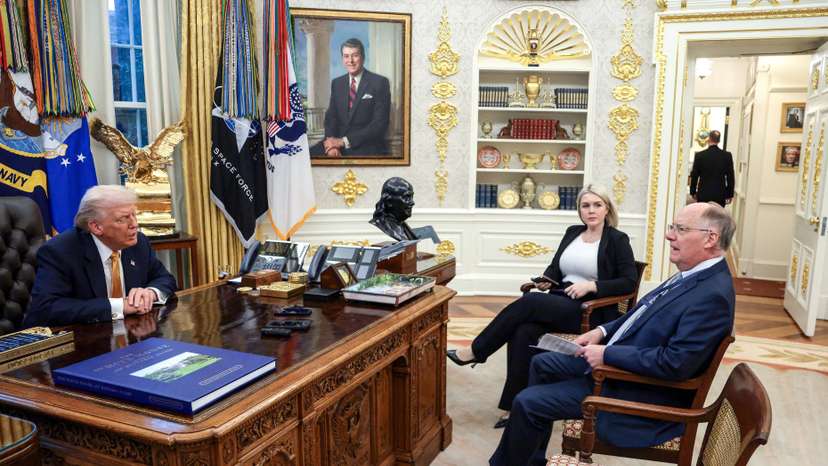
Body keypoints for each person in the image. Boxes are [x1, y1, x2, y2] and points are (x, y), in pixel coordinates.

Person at [489, 202, 736, 466]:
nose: (669, 235)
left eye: (681, 229)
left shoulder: (712, 295)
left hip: (638, 389)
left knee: (527, 402)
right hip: (623, 368)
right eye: (672, 227)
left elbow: (675, 364)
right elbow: (640, 314)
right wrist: (602, 330)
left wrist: (608, 353)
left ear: (711, 238)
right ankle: (530, 458)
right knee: (542, 362)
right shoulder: (693, 274)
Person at [447, 185, 637, 428]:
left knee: (530, 301)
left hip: (590, 310)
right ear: (579, 210)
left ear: (607, 208)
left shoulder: (617, 239)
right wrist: (547, 280)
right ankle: (513, 405)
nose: (591, 210)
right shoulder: (572, 233)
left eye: (597, 205)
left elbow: (628, 281)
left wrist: (592, 286)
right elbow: (556, 267)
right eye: (585, 205)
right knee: (523, 331)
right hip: (561, 299)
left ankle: (476, 350)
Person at [24, 185, 177, 327]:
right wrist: (119, 306)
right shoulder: (60, 251)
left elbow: (165, 278)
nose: (134, 224)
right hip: (80, 342)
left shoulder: (138, 243)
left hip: (131, 334)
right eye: (122, 219)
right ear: (96, 227)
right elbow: (47, 308)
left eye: (133, 215)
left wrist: (151, 293)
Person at [311, 38, 391, 157]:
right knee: (306, 157)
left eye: (355, 55)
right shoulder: (337, 83)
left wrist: (343, 142)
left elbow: (379, 125)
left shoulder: (379, 82)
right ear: (342, 58)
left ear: (363, 57)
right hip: (336, 143)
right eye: (346, 56)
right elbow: (331, 118)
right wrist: (331, 145)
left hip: (366, 146)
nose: (351, 61)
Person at [689, 130, 734, 207]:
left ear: (709, 139)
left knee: (704, 216)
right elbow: (730, 177)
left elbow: (695, 175)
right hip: (720, 195)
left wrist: (693, 192)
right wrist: (729, 194)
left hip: (703, 194)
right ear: (719, 141)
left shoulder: (700, 156)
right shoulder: (727, 156)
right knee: (717, 217)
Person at [370, 177, 417, 241]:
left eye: (412, 197)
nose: (412, 202)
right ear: (389, 201)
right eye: (406, 197)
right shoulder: (379, 227)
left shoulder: (402, 225)